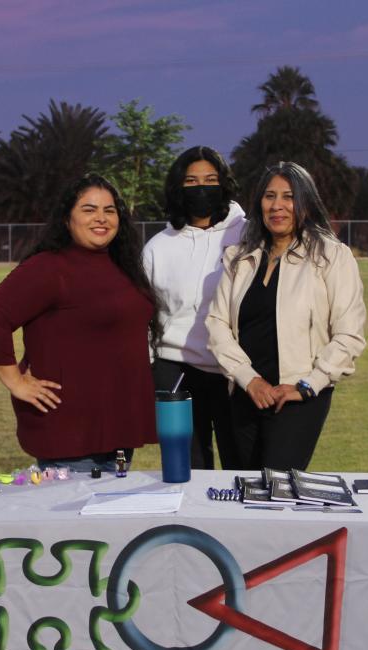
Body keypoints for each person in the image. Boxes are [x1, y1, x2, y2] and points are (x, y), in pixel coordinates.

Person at [0, 174, 161, 472]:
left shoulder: (122, 264)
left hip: (117, 426)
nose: (101, 218)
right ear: (67, 219)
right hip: (72, 432)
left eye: (109, 210)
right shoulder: (49, 267)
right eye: (88, 210)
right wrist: (16, 382)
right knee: (81, 517)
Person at [205, 161, 366, 471]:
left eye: (289, 196)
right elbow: (217, 323)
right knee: (241, 492)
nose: (277, 206)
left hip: (297, 398)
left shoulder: (332, 257)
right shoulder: (239, 258)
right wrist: (249, 380)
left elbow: (349, 334)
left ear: (305, 202)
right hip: (246, 394)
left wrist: (308, 385)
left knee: (278, 493)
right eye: (269, 196)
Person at [143, 146, 247, 470]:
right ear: (178, 187)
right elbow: (146, 314)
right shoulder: (158, 247)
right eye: (191, 180)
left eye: (210, 179)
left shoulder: (247, 234)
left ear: (224, 184)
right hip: (175, 368)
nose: (201, 187)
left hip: (233, 369)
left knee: (240, 463)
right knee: (186, 467)